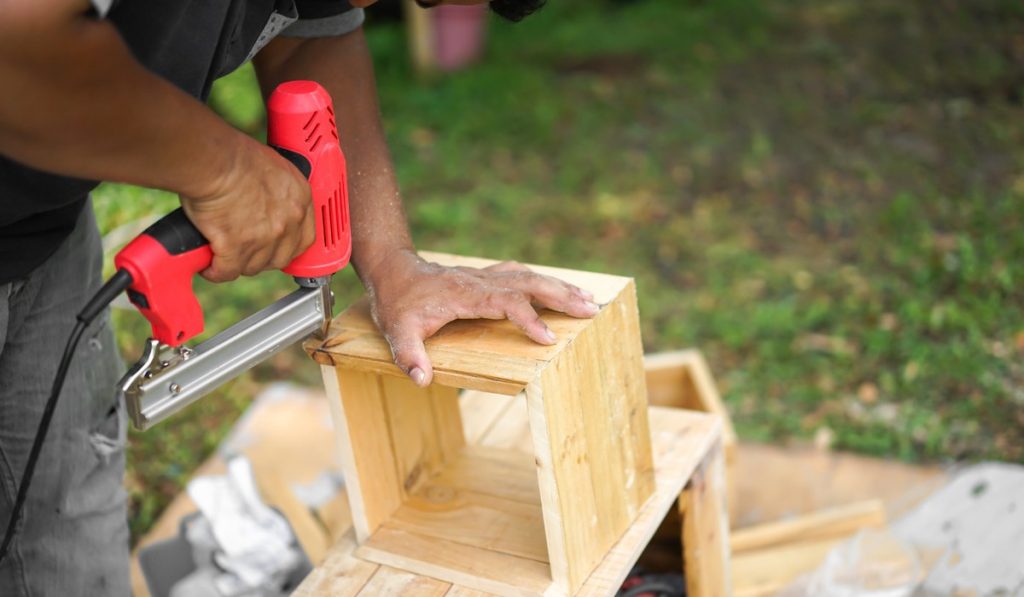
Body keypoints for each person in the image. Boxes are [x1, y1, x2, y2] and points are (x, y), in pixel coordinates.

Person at [0, 0, 598, 594]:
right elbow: (18, 50)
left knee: (62, 536)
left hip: (41, 233)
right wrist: (224, 170)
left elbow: (311, 37)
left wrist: (392, 263)